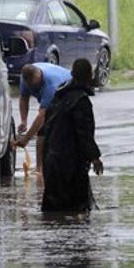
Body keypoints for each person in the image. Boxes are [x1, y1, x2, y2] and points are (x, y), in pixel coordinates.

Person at [41, 58, 103, 212]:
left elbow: (47, 126)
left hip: (52, 158)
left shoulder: (59, 95)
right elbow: (84, 134)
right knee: (76, 209)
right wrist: (95, 158)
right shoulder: (81, 101)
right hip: (71, 163)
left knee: (53, 209)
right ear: (90, 75)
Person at [16, 62, 72, 173]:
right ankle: (39, 167)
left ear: (38, 76)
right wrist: (24, 120)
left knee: (48, 130)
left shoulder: (50, 85)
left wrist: (26, 139)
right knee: (42, 131)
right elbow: (23, 98)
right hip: (53, 89)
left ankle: (62, 165)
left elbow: (42, 116)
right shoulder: (25, 80)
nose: (32, 86)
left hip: (67, 93)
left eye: (33, 83)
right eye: (29, 84)